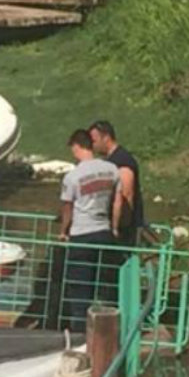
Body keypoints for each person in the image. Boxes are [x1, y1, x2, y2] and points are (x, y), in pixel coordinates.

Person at [60, 129, 123, 331]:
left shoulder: (72, 176)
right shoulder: (112, 169)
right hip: (104, 232)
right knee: (106, 285)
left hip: (81, 235)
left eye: (73, 149)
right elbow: (117, 201)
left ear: (77, 146)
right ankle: (108, 331)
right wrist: (114, 227)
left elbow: (67, 207)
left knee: (79, 288)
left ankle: (80, 334)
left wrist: (63, 230)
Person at [89, 120, 145, 247]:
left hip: (124, 231)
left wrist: (119, 228)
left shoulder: (122, 161)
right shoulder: (111, 161)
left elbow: (126, 195)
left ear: (106, 138)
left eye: (94, 141)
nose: (92, 145)